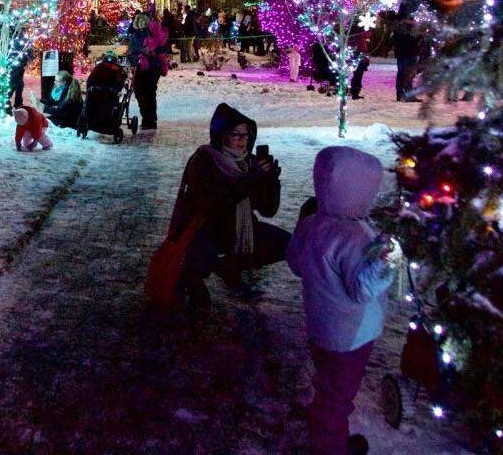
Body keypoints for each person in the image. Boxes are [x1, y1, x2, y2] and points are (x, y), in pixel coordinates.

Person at [286, 146, 400, 455]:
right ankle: (329, 446)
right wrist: (386, 261)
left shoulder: (313, 223)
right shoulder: (356, 236)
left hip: (320, 329)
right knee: (335, 398)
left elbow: (295, 263)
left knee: (329, 385)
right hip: (351, 335)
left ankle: (334, 437)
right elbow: (362, 289)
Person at [167, 103, 289, 307]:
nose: (242, 141)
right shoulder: (204, 161)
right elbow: (213, 206)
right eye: (235, 135)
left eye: (246, 135)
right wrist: (250, 180)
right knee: (196, 258)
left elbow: (268, 210)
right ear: (221, 135)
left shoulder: (249, 163)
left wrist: (271, 182)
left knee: (289, 245)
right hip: (205, 229)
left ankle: (230, 264)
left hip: (240, 229)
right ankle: (197, 277)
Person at [127, 12, 167, 130]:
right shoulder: (138, 34)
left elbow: (163, 46)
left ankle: (149, 120)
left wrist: (151, 52)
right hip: (145, 66)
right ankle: (148, 118)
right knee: (143, 91)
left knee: (146, 91)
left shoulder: (151, 32)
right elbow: (132, 50)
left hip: (152, 66)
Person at [393, 22, 421, 102]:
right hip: (404, 54)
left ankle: (408, 94)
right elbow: (405, 40)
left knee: (409, 75)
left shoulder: (411, 28)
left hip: (410, 53)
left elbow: (414, 40)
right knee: (402, 74)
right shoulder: (400, 29)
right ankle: (401, 94)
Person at [7, 24, 33, 109]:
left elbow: (28, 52)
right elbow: (28, 52)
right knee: (15, 83)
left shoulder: (14, 38)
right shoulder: (19, 39)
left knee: (17, 84)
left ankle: (16, 102)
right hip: (16, 64)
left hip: (16, 64)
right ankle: (10, 101)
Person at [348, 29, 371, 100]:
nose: (370, 35)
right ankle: (355, 92)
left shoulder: (361, 39)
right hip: (359, 61)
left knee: (357, 76)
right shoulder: (360, 40)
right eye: (369, 33)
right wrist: (364, 59)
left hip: (359, 61)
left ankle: (355, 91)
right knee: (357, 76)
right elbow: (362, 51)